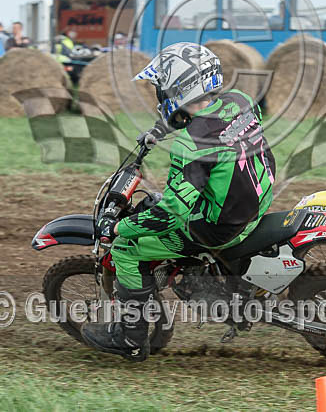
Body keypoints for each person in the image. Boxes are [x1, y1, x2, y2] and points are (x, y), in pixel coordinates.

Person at [81, 42, 276, 361]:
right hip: (258, 196)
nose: (159, 94)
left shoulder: (189, 146)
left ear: (179, 89)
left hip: (222, 226)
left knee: (128, 250)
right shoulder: (239, 100)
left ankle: (130, 339)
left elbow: (171, 213)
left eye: (162, 88)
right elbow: (207, 119)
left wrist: (120, 228)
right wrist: (159, 130)